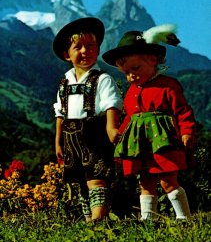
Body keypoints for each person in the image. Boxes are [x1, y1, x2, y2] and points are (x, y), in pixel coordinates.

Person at [102, 24, 196, 220]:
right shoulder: (131, 92)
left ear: (153, 60)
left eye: (135, 69)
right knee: (145, 181)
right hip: (140, 144)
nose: (131, 76)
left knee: (168, 180)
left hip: (162, 141)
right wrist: (121, 132)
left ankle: (183, 218)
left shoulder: (167, 86)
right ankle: (148, 219)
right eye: (126, 73)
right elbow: (130, 116)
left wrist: (187, 131)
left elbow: (182, 110)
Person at [52, 17, 122, 222]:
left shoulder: (102, 79)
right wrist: (58, 140)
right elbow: (60, 112)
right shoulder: (64, 83)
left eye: (90, 46)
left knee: (97, 177)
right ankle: (89, 217)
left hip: (95, 134)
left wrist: (111, 127)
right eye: (78, 47)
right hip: (71, 136)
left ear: (98, 49)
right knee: (80, 180)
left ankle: (99, 218)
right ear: (67, 55)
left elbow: (112, 103)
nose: (85, 51)